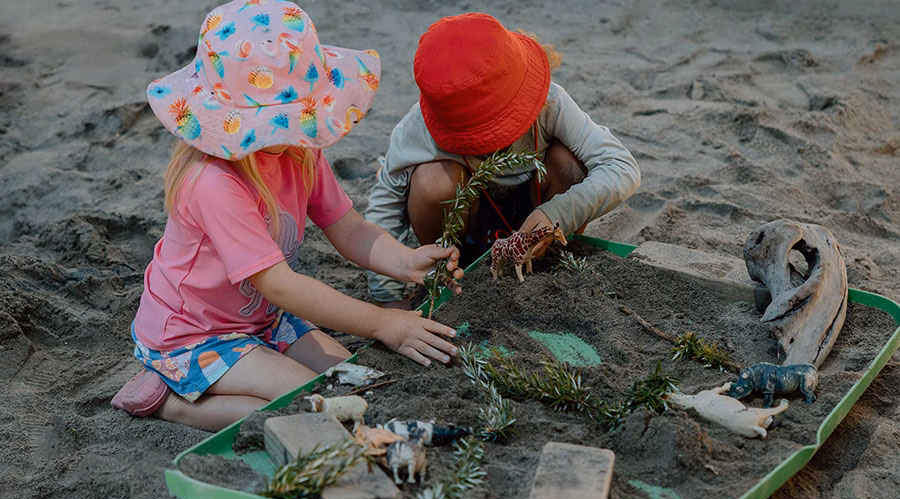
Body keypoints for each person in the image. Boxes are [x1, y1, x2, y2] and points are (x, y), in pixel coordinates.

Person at [110, 0, 463, 431]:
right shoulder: (214, 182)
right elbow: (279, 284)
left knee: (353, 385)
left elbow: (348, 228)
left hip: (262, 319)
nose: (294, 129)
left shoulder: (299, 150)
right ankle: (174, 403)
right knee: (311, 405)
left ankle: (223, 381)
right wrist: (384, 323)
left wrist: (403, 261)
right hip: (192, 337)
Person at [365, 12, 641, 309]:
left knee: (570, 163)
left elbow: (623, 168)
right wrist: (388, 300)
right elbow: (384, 209)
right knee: (432, 182)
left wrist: (556, 212)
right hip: (463, 231)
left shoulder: (549, 102)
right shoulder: (417, 129)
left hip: (537, 222)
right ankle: (444, 274)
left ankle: (549, 262)